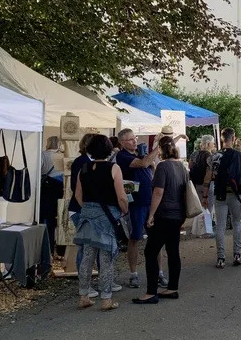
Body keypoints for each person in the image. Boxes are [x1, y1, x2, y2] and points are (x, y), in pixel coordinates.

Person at [74, 134, 129, 311]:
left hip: (87, 216)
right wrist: (123, 210)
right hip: (107, 217)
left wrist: (89, 209)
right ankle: (106, 299)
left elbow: (77, 195)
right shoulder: (114, 168)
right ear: (108, 149)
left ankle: (83, 295)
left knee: (87, 257)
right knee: (106, 258)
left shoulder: (84, 168)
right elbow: (121, 196)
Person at [133, 137, 189, 304]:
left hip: (164, 213)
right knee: (173, 251)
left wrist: (151, 214)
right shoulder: (182, 167)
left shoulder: (163, 167)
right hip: (178, 214)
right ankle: (172, 287)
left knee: (150, 251)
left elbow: (158, 192)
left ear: (161, 150)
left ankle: (151, 292)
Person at [115, 128, 166, 289]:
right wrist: (160, 146)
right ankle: (133, 274)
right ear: (122, 143)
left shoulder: (139, 153)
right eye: (130, 139)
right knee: (135, 237)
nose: (134, 141)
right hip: (136, 203)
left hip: (150, 201)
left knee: (156, 238)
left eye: (134, 138)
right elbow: (144, 163)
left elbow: (150, 167)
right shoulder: (122, 156)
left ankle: (159, 273)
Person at [204, 128, 241, 268]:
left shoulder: (214, 157)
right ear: (234, 138)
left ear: (221, 139)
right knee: (237, 223)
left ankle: (221, 257)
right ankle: (237, 255)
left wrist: (205, 195)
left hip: (220, 194)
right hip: (236, 194)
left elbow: (208, 176)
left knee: (220, 226)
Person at [188, 134, 215, 234]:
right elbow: (210, 172)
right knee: (208, 207)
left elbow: (190, 167)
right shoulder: (210, 156)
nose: (214, 145)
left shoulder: (194, 154)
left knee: (199, 207)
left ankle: (197, 230)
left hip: (196, 184)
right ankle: (207, 230)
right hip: (207, 185)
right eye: (212, 143)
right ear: (208, 144)